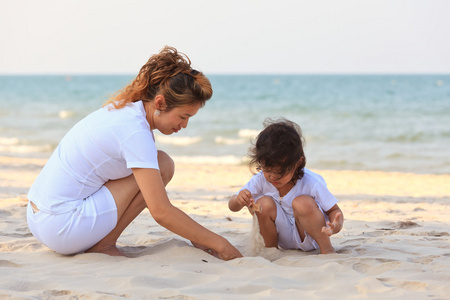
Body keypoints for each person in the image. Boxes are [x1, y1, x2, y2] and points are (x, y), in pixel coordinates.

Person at [27, 46, 242, 260]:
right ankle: (104, 245)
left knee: (157, 165)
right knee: (163, 165)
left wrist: (198, 237)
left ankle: (102, 242)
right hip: (62, 228)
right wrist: (221, 245)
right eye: (183, 116)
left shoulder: (124, 112)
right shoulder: (135, 132)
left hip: (38, 218)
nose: (184, 125)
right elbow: (161, 212)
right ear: (160, 103)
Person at [228, 118, 343, 254]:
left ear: (298, 163)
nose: (273, 177)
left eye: (280, 172)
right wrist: (239, 199)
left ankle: (327, 249)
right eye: (267, 170)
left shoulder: (311, 182)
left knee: (302, 202)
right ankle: (270, 251)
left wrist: (335, 226)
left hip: (310, 235)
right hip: (282, 238)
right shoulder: (260, 180)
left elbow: (334, 211)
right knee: (263, 203)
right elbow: (232, 206)